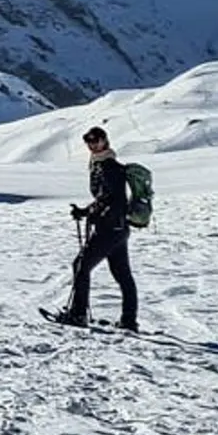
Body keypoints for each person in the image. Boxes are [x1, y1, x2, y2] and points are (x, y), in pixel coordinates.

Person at [53, 125, 138, 331]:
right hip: (118, 229)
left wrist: (87, 212)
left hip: (109, 229)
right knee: (122, 274)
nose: (91, 144)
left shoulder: (108, 166)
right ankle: (128, 321)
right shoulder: (103, 164)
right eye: (88, 141)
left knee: (81, 265)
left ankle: (78, 314)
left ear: (104, 140)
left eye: (95, 140)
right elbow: (106, 197)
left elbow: (111, 197)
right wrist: (87, 211)